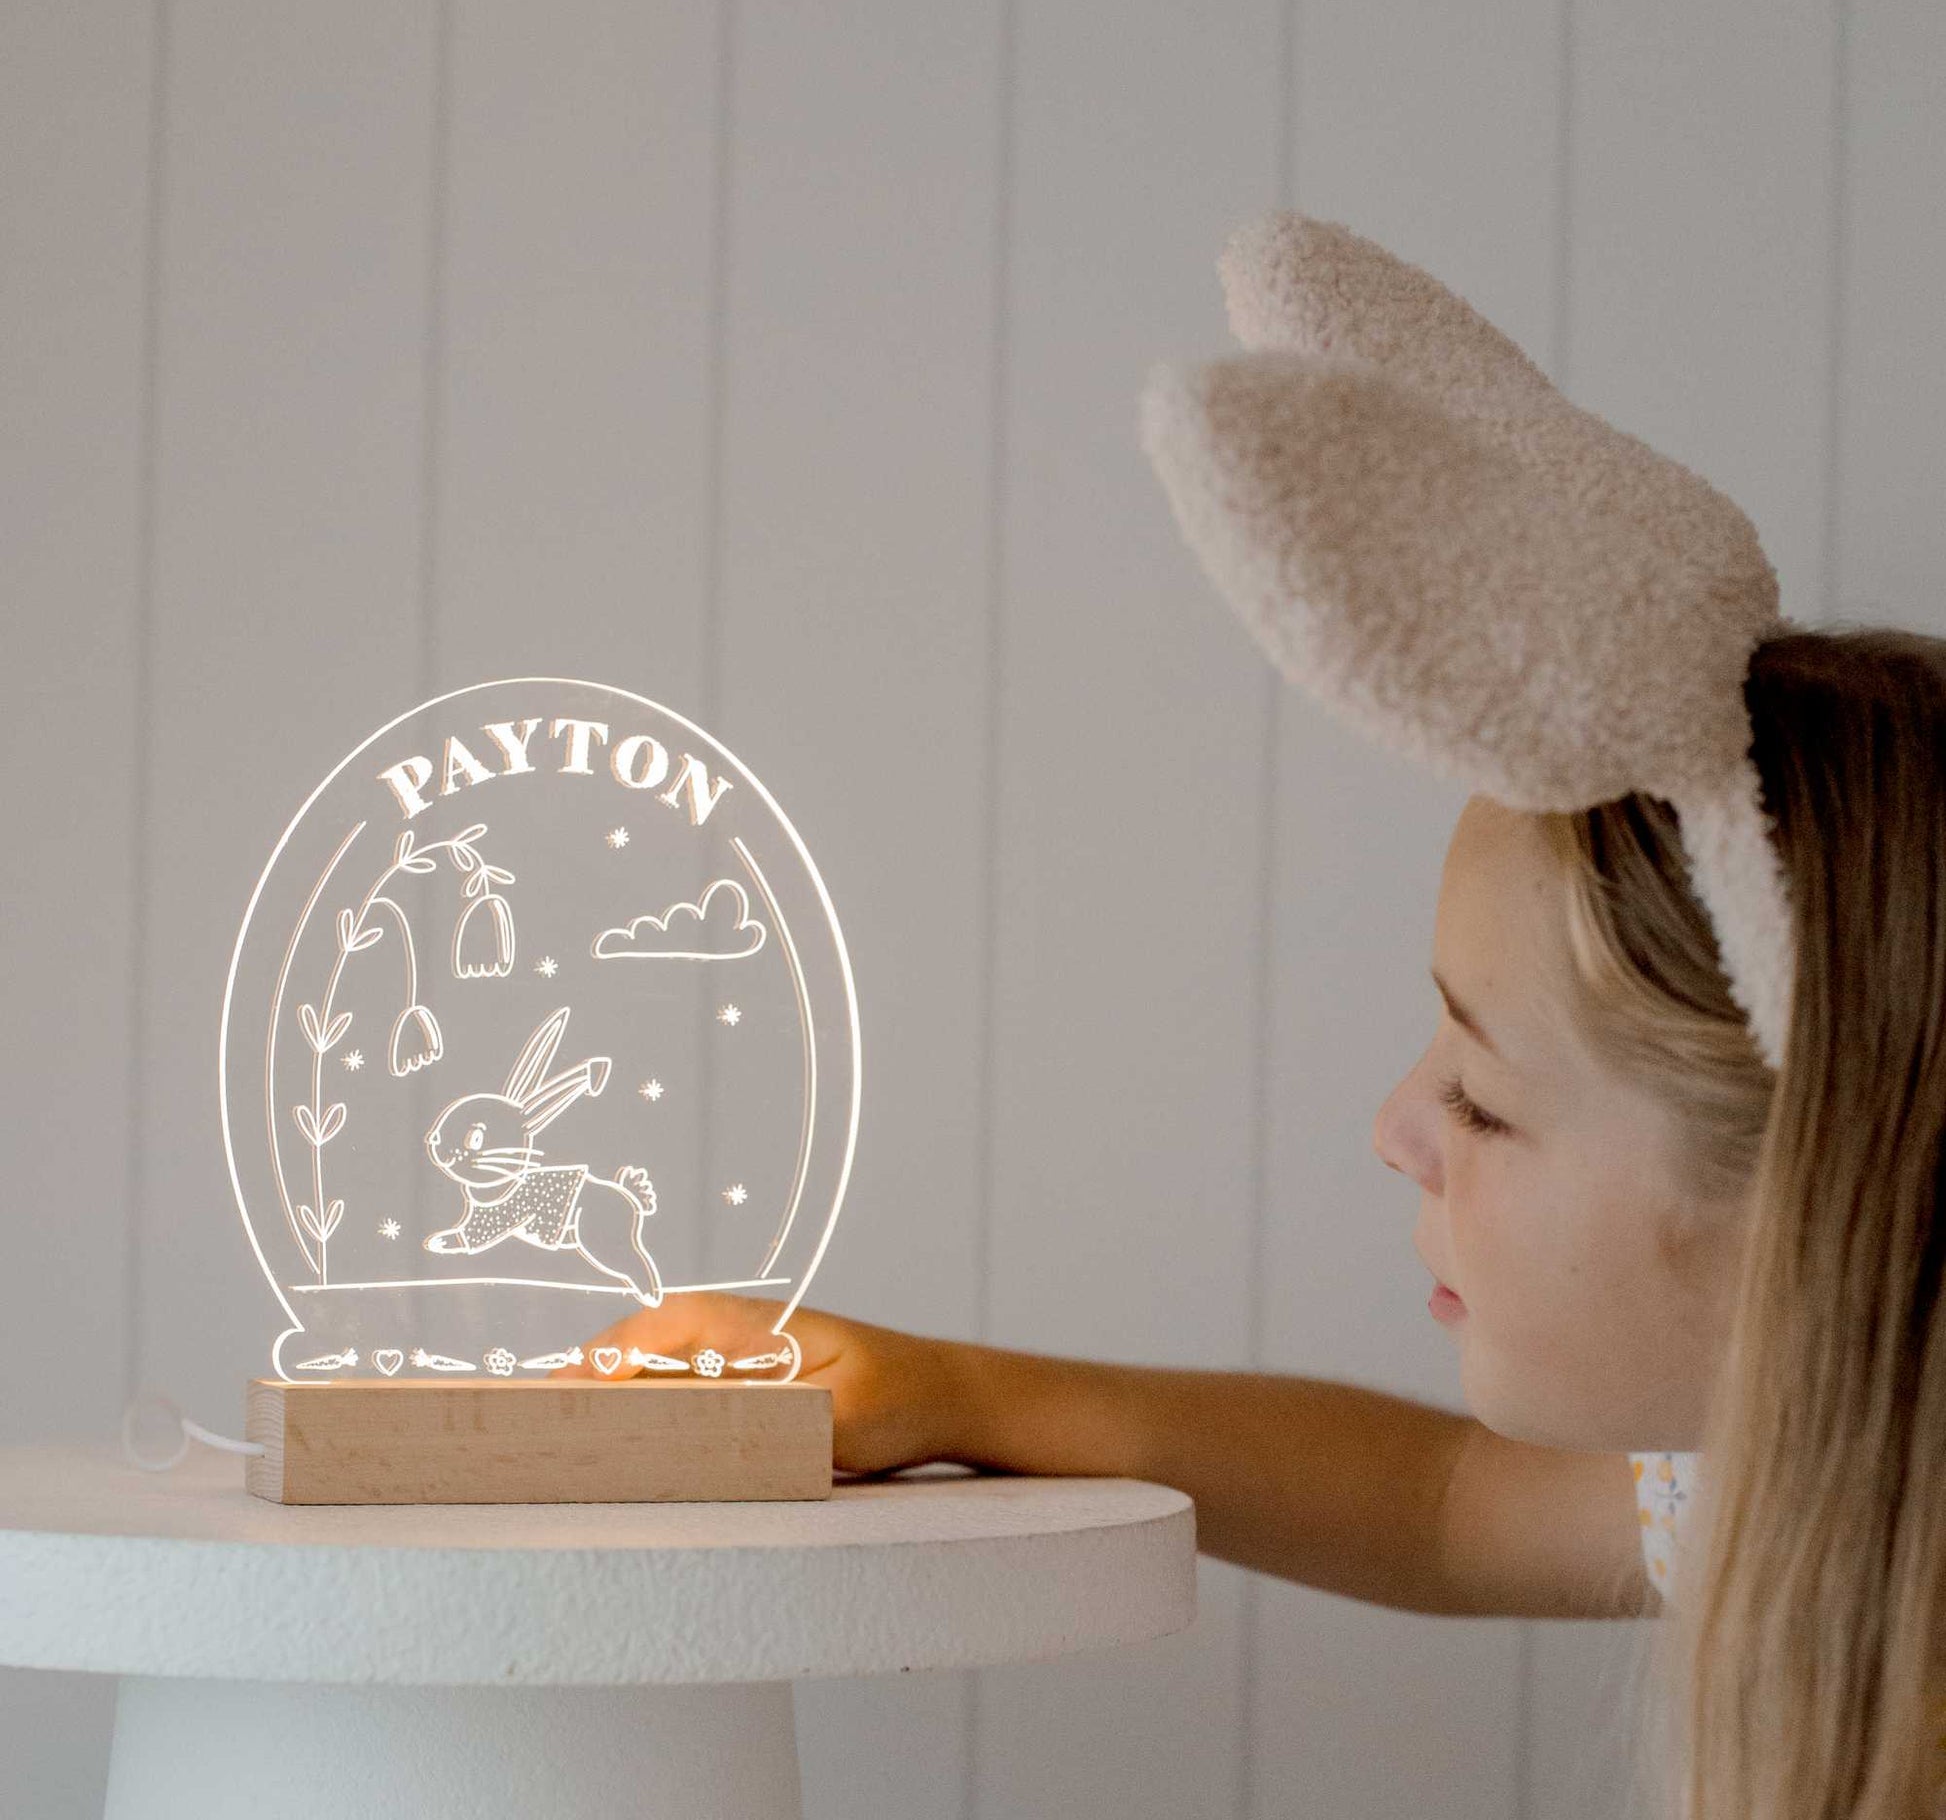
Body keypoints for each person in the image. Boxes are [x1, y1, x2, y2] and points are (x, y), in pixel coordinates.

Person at [567, 215, 1946, 1819]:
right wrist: (944, 1389)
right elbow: (1441, 1502)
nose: (1396, 1128)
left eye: (1485, 1099)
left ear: (1814, 1203)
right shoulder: (1793, 1483)